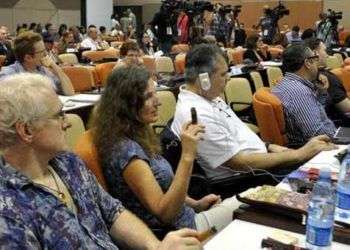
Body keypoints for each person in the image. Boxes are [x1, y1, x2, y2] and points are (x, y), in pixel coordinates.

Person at [0, 73, 202, 249]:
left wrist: (156, 247)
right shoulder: (8, 212)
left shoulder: (68, 163)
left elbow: (114, 213)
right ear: (26, 130)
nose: (68, 122)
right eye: (59, 115)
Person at [93, 65, 241, 233]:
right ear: (126, 104)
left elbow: (163, 188)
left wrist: (196, 204)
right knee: (247, 203)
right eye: (149, 96)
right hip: (181, 232)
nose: (158, 101)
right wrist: (187, 155)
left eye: (155, 93)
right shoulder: (126, 152)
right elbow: (166, 214)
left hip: (189, 218)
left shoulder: (138, 134)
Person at [171, 44, 335, 183]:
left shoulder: (209, 97)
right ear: (204, 79)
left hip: (263, 162)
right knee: (325, 177)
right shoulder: (198, 113)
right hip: (250, 179)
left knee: (326, 164)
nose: (228, 78)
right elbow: (238, 162)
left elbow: (238, 135)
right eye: (223, 74)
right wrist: (298, 154)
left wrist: (269, 147)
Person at [272, 44, 337, 146]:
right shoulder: (299, 92)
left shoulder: (287, 83)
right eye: (315, 59)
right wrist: (338, 135)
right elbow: (317, 134)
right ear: (308, 63)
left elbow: (316, 114)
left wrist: (322, 92)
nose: (317, 64)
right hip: (317, 149)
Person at [0, 31, 74, 96]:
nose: (46, 54)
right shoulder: (9, 74)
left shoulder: (43, 70)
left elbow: (69, 92)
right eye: (42, 52)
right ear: (28, 58)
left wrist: (54, 66)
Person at [304, 37, 350, 125]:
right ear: (315, 53)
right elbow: (347, 108)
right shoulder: (325, 78)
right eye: (324, 51)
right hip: (339, 126)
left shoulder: (306, 76)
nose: (327, 55)